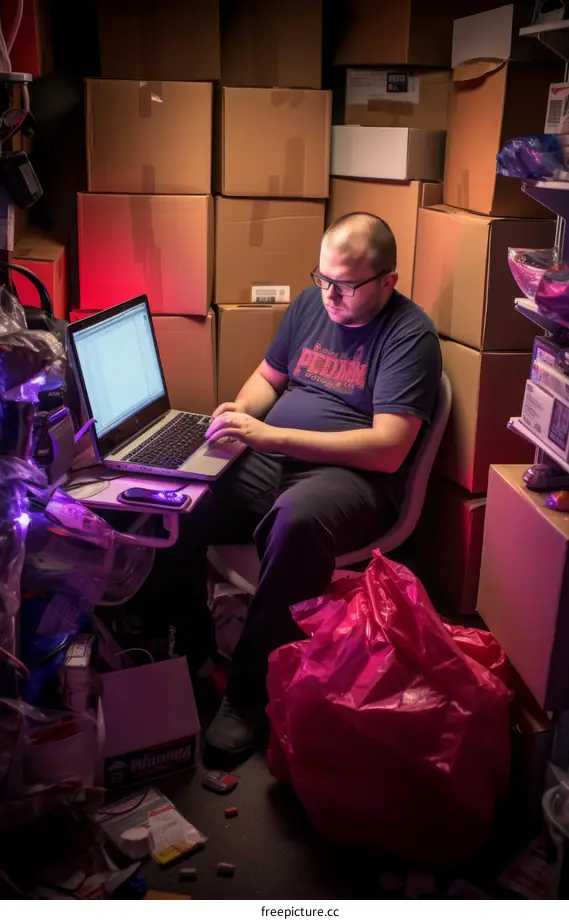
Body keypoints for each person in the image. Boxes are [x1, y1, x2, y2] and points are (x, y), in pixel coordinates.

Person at [136, 212, 442, 757]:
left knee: (296, 520)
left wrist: (273, 436)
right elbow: (266, 379)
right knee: (175, 498)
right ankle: (192, 653)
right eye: (321, 278)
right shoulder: (310, 305)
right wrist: (239, 418)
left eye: (345, 285)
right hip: (277, 453)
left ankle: (250, 695)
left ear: (387, 281)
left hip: (353, 479)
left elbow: (389, 448)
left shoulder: (409, 334)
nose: (329, 295)